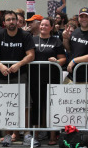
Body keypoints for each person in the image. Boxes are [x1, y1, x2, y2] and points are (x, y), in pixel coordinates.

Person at [0, 10, 38, 147]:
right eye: (8, 19)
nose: (11, 22)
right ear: (4, 23)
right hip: (2, 76)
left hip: (20, 75)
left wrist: (19, 64)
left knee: (25, 105)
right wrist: (0, 65)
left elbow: (31, 55)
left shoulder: (25, 35)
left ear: (17, 21)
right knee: (5, 106)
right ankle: (7, 135)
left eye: (13, 19)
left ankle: (27, 134)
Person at [30, 17, 66, 145]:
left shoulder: (56, 41)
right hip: (35, 79)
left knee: (51, 107)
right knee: (36, 106)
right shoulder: (32, 39)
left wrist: (56, 61)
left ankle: (52, 136)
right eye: (41, 25)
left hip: (52, 79)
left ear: (51, 27)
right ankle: (36, 136)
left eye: (46, 25)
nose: (43, 27)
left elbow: (63, 59)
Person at [63, 7, 88, 83]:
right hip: (72, 77)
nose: (84, 19)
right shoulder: (75, 32)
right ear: (78, 18)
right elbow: (69, 49)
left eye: (86, 16)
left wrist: (74, 61)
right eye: (81, 16)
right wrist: (65, 39)